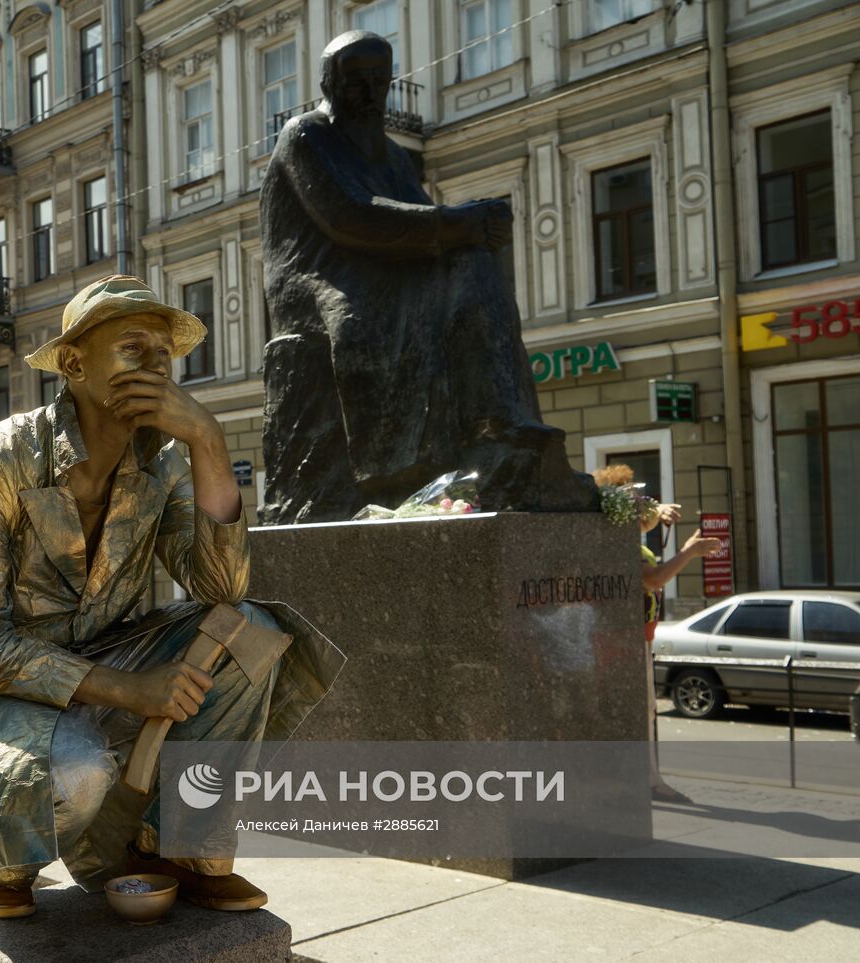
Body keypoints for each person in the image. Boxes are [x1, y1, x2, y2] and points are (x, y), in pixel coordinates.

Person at [0, 275, 343, 919]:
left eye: (165, 355)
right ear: (75, 365)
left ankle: (175, 845)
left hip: (99, 653)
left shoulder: (164, 462)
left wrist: (208, 441)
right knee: (77, 774)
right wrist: (130, 690)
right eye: (134, 348)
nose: (156, 367)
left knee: (250, 631)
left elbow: (223, 590)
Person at [259, 31, 596, 523]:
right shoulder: (305, 135)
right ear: (329, 85)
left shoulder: (393, 155)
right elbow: (350, 218)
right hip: (312, 279)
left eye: (379, 81)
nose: (370, 93)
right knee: (360, 319)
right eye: (356, 82)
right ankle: (395, 471)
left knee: (472, 263)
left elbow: (420, 225)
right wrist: (458, 222)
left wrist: (473, 227)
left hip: (378, 270)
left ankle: (504, 430)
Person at [593, 466, 723, 803]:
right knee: (639, 711)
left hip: (628, 639)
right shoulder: (621, 545)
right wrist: (689, 551)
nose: (645, 509)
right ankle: (645, 782)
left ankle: (640, 780)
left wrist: (660, 509)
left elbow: (648, 520)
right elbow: (653, 579)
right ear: (621, 511)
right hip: (626, 643)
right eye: (638, 502)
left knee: (640, 711)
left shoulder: (614, 537)